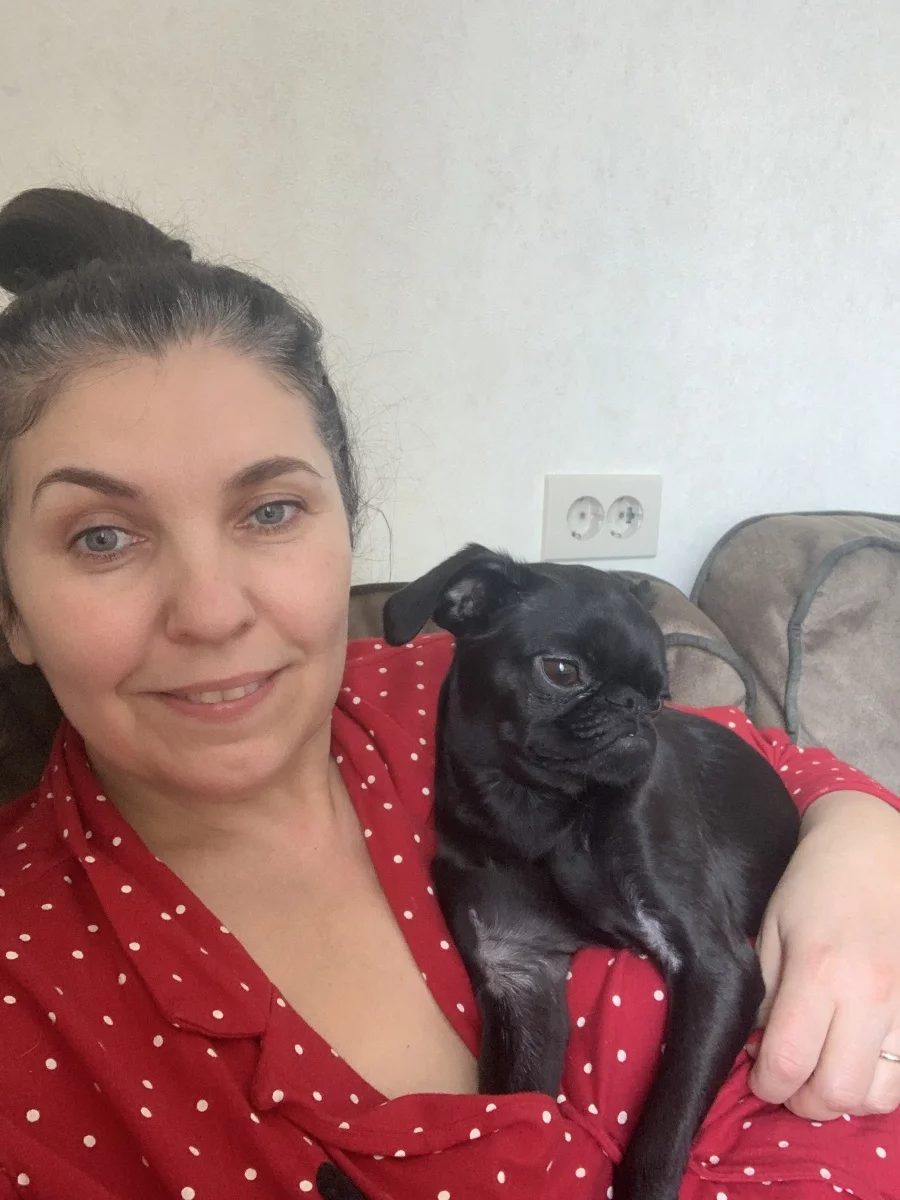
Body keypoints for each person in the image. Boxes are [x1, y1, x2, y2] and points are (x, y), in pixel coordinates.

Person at [0, 188, 897, 1200]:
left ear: (346, 524)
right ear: (12, 606)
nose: (209, 612)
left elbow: (742, 755)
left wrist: (863, 845)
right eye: (102, 536)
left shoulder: (441, 689)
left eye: (270, 510)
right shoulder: (28, 1008)